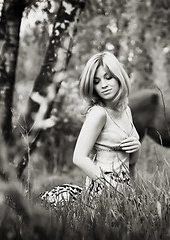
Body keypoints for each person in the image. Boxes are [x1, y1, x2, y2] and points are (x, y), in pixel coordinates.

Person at [39, 52, 140, 207]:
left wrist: (136, 147)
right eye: (97, 81)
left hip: (125, 187)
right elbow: (79, 157)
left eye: (108, 77)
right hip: (103, 189)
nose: (104, 85)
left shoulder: (126, 111)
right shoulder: (98, 113)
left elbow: (131, 162)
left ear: (119, 77)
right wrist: (109, 186)